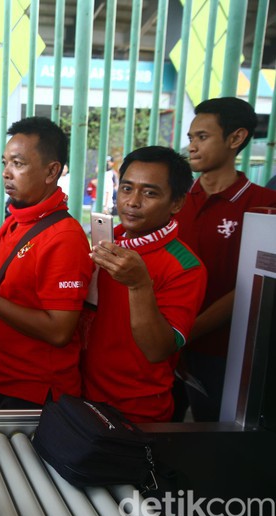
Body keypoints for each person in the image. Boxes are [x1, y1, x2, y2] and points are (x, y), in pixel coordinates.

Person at [0, 117, 93, 410]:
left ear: (52, 171)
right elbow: (13, 289)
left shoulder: (65, 237)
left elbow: (59, 330)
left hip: (35, 392)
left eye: (18, 164)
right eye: (5, 163)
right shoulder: (15, 221)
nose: (6, 173)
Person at [81, 146, 207, 423]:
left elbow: (158, 349)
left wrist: (139, 285)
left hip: (136, 411)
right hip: (77, 396)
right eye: (126, 188)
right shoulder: (106, 238)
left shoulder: (186, 266)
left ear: (176, 203)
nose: (133, 202)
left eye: (149, 193)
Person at [174, 97, 276, 422]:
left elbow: (252, 286)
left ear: (236, 138)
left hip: (225, 353)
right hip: (166, 347)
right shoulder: (174, 201)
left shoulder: (265, 206)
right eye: (191, 138)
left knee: (214, 436)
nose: (192, 146)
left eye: (202, 137)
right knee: (159, 430)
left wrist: (186, 331)